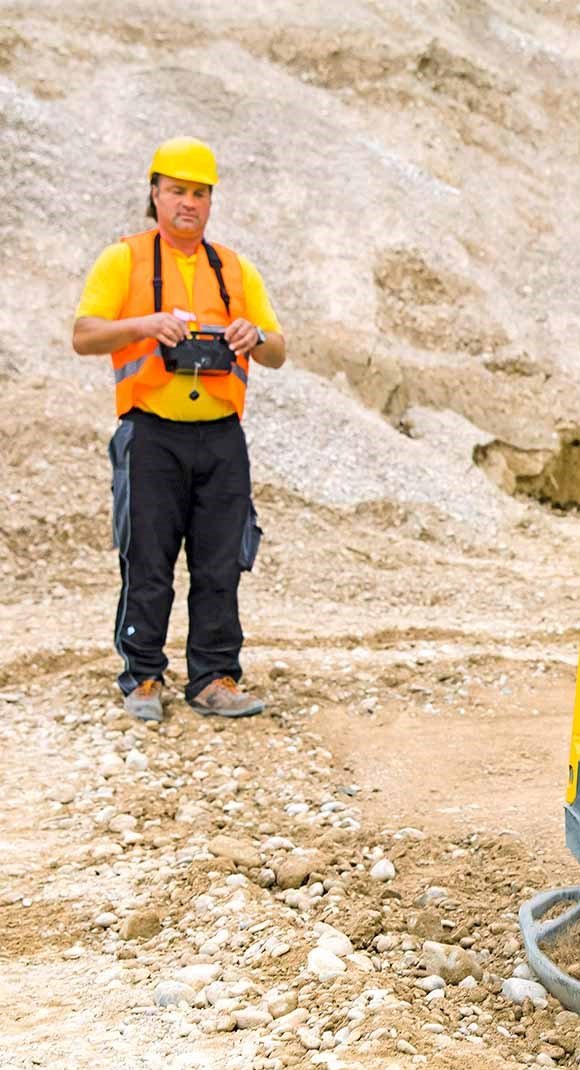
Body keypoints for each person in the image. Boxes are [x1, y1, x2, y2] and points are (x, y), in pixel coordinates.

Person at [72, 137, 285, 722]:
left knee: (220, 563)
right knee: (148, 557)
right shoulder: (125, 259)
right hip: (151, 434)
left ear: (210, 199)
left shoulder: (235, 270)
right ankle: (142, 677)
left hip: (220, 436)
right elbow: (84, 333)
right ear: (155, 194)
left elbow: (279, 350)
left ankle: (214, 677)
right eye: (176, 191)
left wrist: (254, 337)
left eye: (199, 193)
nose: (188, 203)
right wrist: (146, 323)